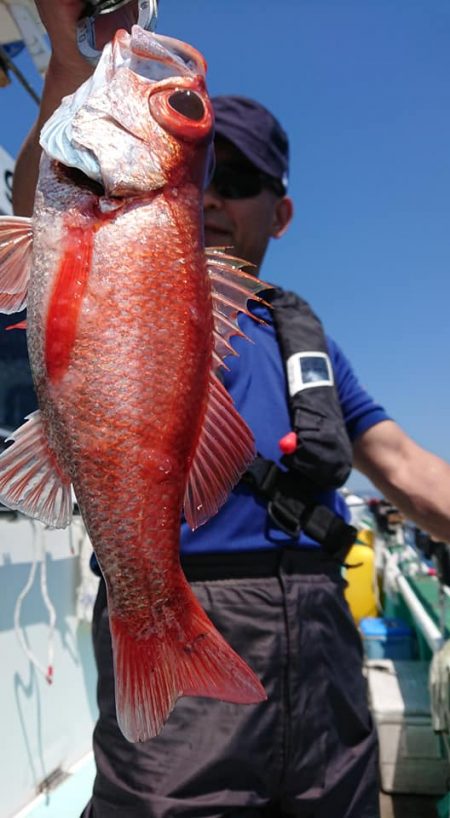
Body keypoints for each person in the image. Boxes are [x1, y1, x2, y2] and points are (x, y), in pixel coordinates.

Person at [12, 4, 450, 817]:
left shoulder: (298, 333)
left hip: (325, 657)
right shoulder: (101, 219)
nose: (213, 198)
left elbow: (407, 470)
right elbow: (53, 195)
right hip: (183, 625)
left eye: (239, 183)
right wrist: (73, 55)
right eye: (207, 177)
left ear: (280, 214)